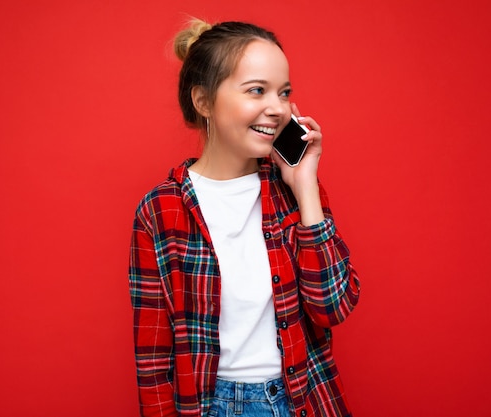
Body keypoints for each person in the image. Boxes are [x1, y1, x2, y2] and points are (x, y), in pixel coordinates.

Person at [128, 19, 361, 417]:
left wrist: (305, 186)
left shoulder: (297, 194)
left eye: (284, 92)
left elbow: (332, 307)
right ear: (203, 102)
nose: (278, 107)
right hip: (209, 406)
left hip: (300, 401)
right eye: (257, 90)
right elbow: (153, 358)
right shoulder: (160, 211)